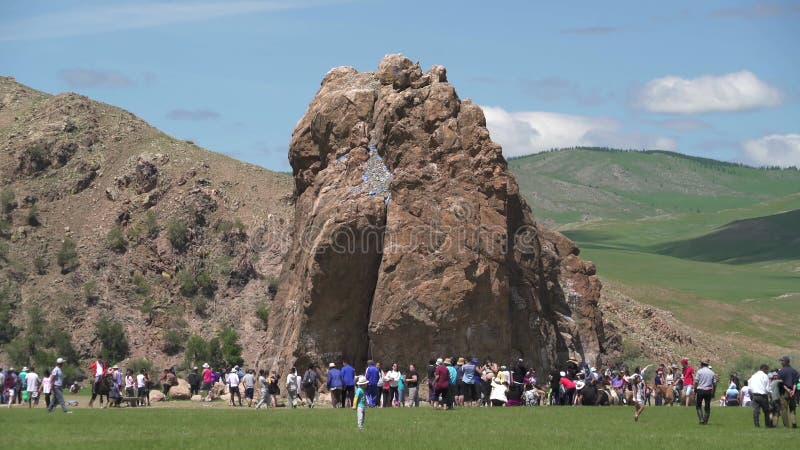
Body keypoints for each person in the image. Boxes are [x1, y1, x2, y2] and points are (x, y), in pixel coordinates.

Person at [777, 355, 798, 428]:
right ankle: (794, 423)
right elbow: (795, 382)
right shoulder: (794, 371)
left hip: (784, 392)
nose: (781, 362)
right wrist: (793, 390)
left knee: (784, 409)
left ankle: (786, 425)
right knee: (792, 408)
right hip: (793, 392)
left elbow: (781, 383)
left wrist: (788, 390)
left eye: (782, 361)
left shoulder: (781, 371)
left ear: (785, 362)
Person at [693, 358, 716, 425]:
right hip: (708, 390)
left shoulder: (699, 371)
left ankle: (701, 419)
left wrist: (695, 390)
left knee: (698, 406)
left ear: (702, 364)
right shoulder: (712, 372)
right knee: (707, 406)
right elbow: (714, 384)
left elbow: (696, 382)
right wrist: (713, 392)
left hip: (700, 390)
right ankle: (705, 421)